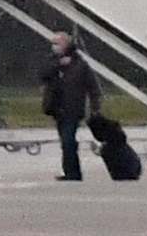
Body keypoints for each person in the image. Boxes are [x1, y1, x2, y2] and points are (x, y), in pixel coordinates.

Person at [39, 32, 101, 181]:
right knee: (66, 141)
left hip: (73, 108)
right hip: (57, 108)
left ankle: (73, 173)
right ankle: (71, 171)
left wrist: (95, 107)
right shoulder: (52, 61)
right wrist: (58, 65)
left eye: (57, 43)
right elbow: (42, 74)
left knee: (68, 140)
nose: (54, 47)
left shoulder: (80, 64)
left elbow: (92, 86)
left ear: (66, 44)